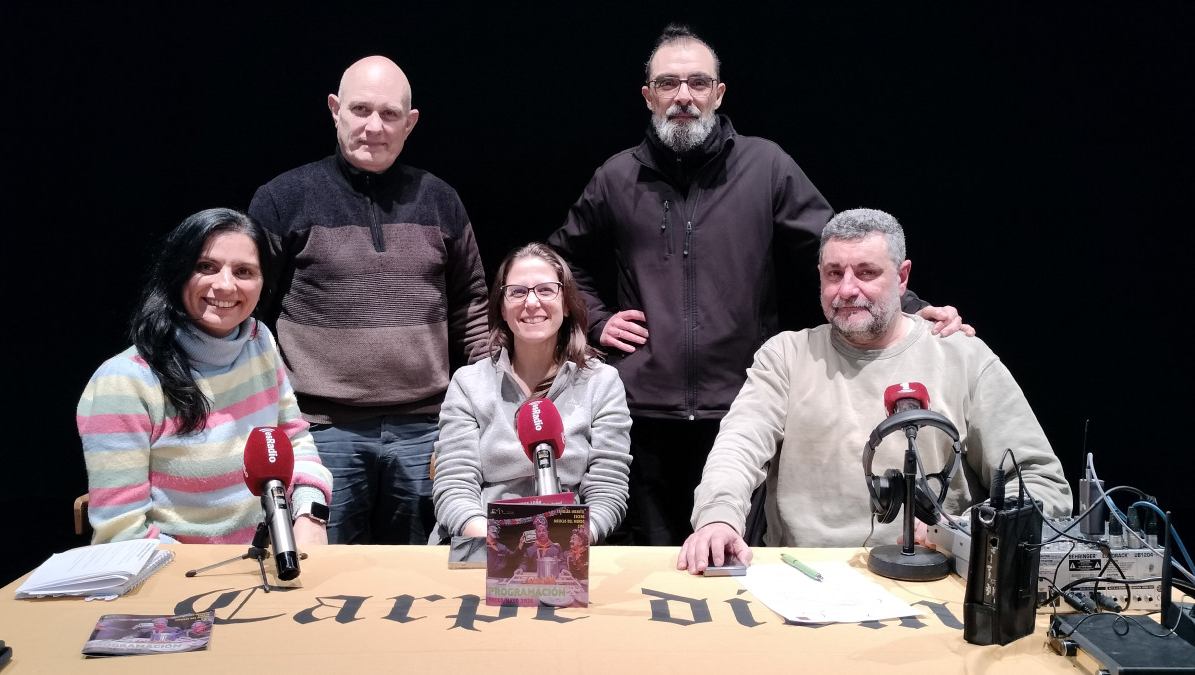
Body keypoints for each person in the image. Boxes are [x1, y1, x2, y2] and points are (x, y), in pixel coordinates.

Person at [547, 24, 972, 546]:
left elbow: (840, 249)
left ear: (719, 93)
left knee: (730, 561)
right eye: (669, 83)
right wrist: (596, 315)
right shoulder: (615, 177)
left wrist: (912, 308)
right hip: (643, 412)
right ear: (648, 96)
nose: (684, 95)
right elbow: (558, 260)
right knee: (654, 566)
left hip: (741, 406)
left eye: (698, 83)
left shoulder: (765, 166)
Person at [677, 208, 1071, 573]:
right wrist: (718, 516)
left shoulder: (963, 357)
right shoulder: (785, 355)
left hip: (934, 579)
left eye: (866, 273)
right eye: (834, 274)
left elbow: (1041, 483)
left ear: (901, 278)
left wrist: (960, 532)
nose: (846, 289)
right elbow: (739, 444)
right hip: (803, 576)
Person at [248, 55, 489, 544]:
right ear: (335, 110)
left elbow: (473, 307)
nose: (373, 127)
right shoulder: (282, 199)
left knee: (426, 581)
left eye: (389, 115)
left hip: (427, 429)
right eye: (360, 110)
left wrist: (486, 412)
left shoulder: (441, 198)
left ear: (410, 123)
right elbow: (250, 316)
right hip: (320, 432)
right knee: (323, 585)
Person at [77, 208, 331, 546]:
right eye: (206, 267)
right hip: (171, 578)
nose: (225, 285)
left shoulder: (259, 341)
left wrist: (310, 515)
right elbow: (123, 533)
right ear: (177, 272)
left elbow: (294, 440)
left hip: (262, 561)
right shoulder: (124, 382)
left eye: (244, 271)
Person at [432, 243, 632, 545]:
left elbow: (608, 488)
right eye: (517, 292)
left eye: (546, 290)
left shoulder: (602, 382)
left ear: (566, 304)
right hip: (480, 542)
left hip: (569, 545)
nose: (532, 302)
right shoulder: (468, 383)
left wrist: (572, 541)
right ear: (502, 306)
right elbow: (454, 484)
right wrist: (503, 544)